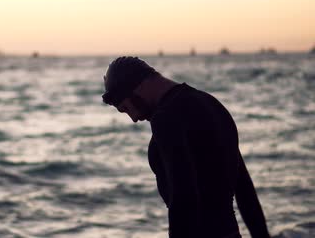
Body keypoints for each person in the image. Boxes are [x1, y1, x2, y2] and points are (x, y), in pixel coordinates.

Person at [102, 56, 270, 238]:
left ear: (138, 87)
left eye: (126, 108)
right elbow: (244, 189)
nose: (134, 118)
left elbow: (183, 197)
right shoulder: (210, 103)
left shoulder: (165, 118)